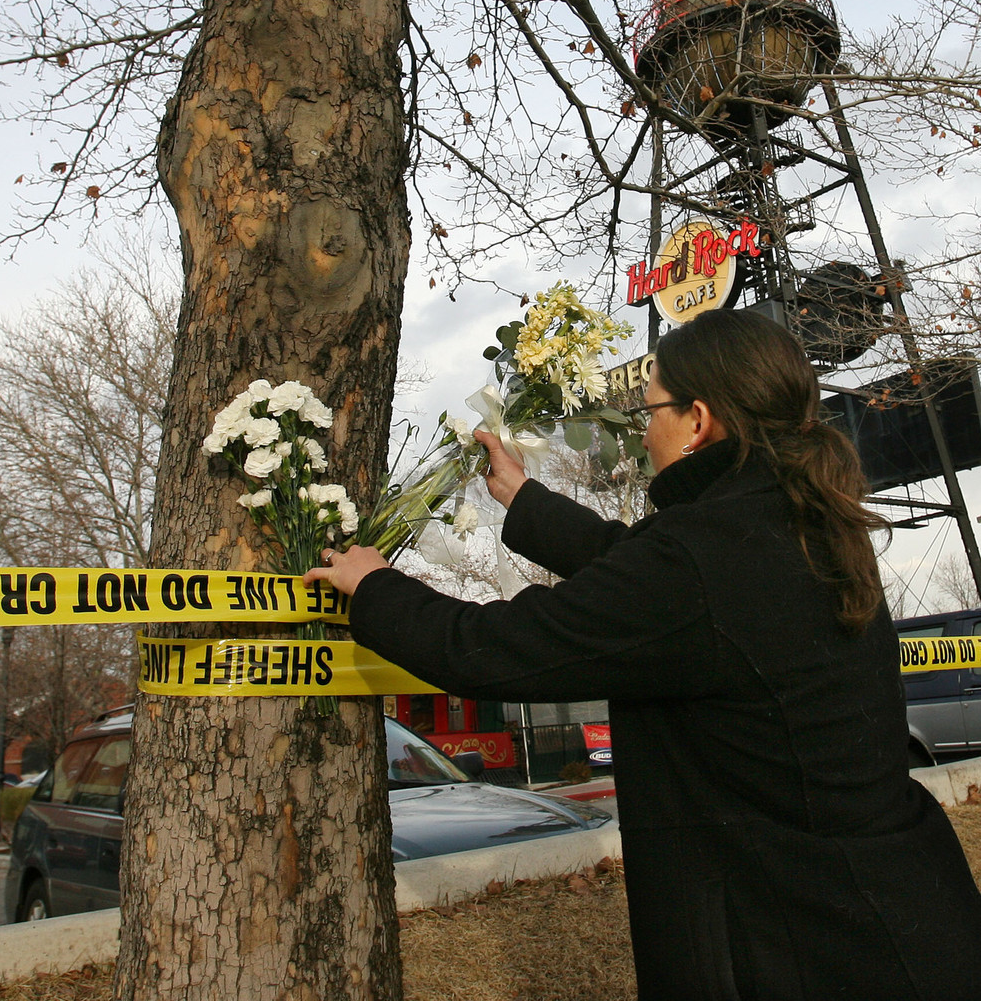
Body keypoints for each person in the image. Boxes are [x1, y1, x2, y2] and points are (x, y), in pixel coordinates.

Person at [305, 308, 981, 1000]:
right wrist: (524, 499)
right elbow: (647, 580)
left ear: (696, 420)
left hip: (804, 946)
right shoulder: (789, 518)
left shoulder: (700, 558)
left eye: (650, 407)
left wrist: (375, 588)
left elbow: (491, 648)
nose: (642, 427)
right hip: (895, 914)